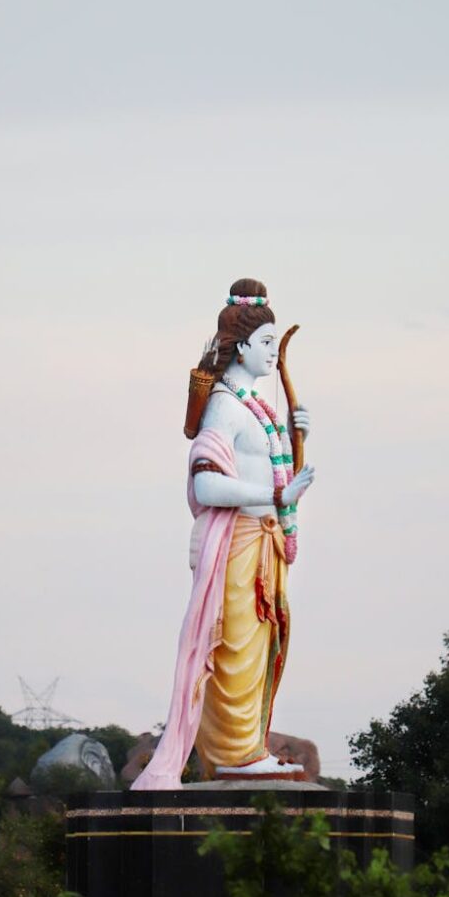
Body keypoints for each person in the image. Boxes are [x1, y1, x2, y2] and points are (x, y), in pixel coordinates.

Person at [131, 279, 315, 789]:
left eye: (276, 346)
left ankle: (249, 746)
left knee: (260, 644)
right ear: (240, 348)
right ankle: (233, 751)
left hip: (265, 542)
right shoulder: (226, 406)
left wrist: (298, 435)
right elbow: (207, 482)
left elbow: (272, 467)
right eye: (266, 345)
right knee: (231, 644)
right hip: (238, 546)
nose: (274, 356)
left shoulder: (257, 406)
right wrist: (276, 496)